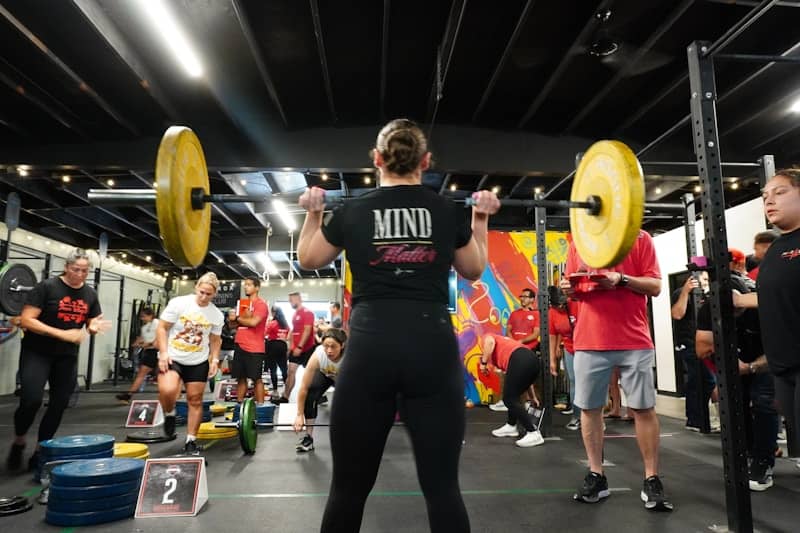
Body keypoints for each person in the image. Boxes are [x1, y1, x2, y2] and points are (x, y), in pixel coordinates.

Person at [296, 118, 500, 532]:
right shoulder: (445, 211)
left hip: (371, 346)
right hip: (431, 346)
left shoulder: (352, 210)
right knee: (443, 488)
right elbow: (474, 269)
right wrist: (479, 218)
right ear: (425, 162)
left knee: (348, 489)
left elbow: (309, 258)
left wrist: (314, 214)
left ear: (376, 160)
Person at [561, 230, 672, 511]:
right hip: (589, 339)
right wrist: (568, 287)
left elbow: (655, 286)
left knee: (643, 408)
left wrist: (622, 279)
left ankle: (652, 478)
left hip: (634, 339)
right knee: (589, 409)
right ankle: (597, 474)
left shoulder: (639, 238)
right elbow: (572, 285)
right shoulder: (580, 243)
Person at [7, 249, 110, 471]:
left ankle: (40, 451)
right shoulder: (46, 287)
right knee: (31, 400)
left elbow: (92, 322)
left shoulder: (90, 294)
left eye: (85, 271)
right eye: (76, 270)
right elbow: (26, 320)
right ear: (66, 267)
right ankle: (19, 440)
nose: (80, 274)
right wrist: (63, 334)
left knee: (59, 404)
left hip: (66, 357)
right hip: (37, 352)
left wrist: (92, 327)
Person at [735, 168, 800, 478]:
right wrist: (736, 301)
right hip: (783, 367)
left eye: (780, 192)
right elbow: (772, 297)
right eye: (764, 197)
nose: (769, 201)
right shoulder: (775, 251)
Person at [696, 249, 777, 491]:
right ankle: (749, 454)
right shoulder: (707, 310)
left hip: (766, 359)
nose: (732, 314)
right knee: (736, 402)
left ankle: (764, 461)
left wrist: (751, 367)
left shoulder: (763, 311)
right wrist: (719, 379)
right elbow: (702, 350)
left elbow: (780, 352)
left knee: (763, 401)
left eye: (736, 308)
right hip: (736, 361)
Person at [157, 272, 224, 454]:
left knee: (195, 400)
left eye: (208, 294)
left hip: (198, 361)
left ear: (214, 294)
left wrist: (215, 359)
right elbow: (162, 328)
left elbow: (216, 340)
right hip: (173, 357)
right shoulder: (179, 303)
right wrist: (163, 353)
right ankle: (169, 413)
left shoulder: (216, 315)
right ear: (196, 287)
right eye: (201, 292)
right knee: (168, 390)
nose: (203, 297)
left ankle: (191, 440)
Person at [481, 333, 544, 447]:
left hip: (521, 359)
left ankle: (533, 433)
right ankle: (511, 426)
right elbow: (524, 380)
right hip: (532, 360)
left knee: (509, 399)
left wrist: (483, 363)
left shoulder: (488, 337)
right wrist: (532, 397)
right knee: (514, 395)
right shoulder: (505, 349)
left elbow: (489, 342)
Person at [670, 272, 716, 432]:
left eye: (706, 280)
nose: (705, 283)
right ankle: (695, 419)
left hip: (705, 343)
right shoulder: (681, 293)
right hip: (688, 344)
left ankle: (700, 419)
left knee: (706, 380)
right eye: (703, 279)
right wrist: (686, 291)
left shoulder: (707, 295)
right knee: (703, 380)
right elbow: (677, 314)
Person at [293, 328, 347, 452]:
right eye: (326, 346)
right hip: (325, 374)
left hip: (345, 377)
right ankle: (308, 438)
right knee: (310, 395)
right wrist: (299, 415)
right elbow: (303, 387)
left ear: (342, 345)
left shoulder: (350, 356)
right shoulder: (318, 355)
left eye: (333, 347)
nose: (329, 350)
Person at [491, 288, 540, 412]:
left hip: (527, 350)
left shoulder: (536, 314)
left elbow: (535, 334)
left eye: (525, 296)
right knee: (507, 375)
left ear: (532, 299)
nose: (522, 299)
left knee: (524, 377)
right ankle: (506, 400)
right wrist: (513, 343)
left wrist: (521, 342)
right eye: (521, 296)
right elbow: (508, 330)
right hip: (513, 351)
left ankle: (527, 402)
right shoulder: (514, 314)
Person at [228, 277, 268, 405]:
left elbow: (253, 322)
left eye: (249, 285)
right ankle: (239, 406)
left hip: (254, 347)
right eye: (245, 285)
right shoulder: (242, 304)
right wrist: (232, 319)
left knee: (257, 379)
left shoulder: (261, 305)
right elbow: (232, 326)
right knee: (240, 378)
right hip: (240, 344)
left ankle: (261, 407)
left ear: (257, 287)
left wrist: (238, 318)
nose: (246, 287)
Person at [548, 286, 580, 430]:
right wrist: (552, 361)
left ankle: (595, 418)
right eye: (557, 304)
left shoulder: (576, 304)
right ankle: (577, 417)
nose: (560, 306)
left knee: (586, 383)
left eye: (562, 303)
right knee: (573, 381)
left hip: (586, 347)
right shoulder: (552, 313)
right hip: (569, 347)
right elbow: (552, 336)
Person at [116, 307, 159, 404]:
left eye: (144, 316)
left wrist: (147, 344)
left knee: (162, 376)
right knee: (141, 374)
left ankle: (173, 398)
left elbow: (159, 337)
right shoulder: (144, 328)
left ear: (151, 315)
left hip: (161, 352)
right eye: (141, 317)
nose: (142, 319)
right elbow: (143, 339)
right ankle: (128, 395)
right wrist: (137, 343)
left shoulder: (157, 323)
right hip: (150, 353)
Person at [284, 292, 316, 403]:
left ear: (298, 299)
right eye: (289, 301)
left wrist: (300, 346)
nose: (290, 303)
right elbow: (294, 331)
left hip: (307, 349)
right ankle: (285, 397)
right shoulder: (295, 314)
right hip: (296, 348)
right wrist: (291, 347)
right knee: (291, 372)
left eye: (291, 300)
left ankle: (317, 396)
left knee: (313, 375)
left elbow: (307, 331)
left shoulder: (307, 313)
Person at [266, 305, 290, 402]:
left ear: (274, 313)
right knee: (284, 369)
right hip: (282, 346)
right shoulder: (285, 324)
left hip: (272, 346)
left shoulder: (272, 323)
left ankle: (275, 390)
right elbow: (288, 336)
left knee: (273, 369)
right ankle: (287, 390)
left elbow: (266, 333)